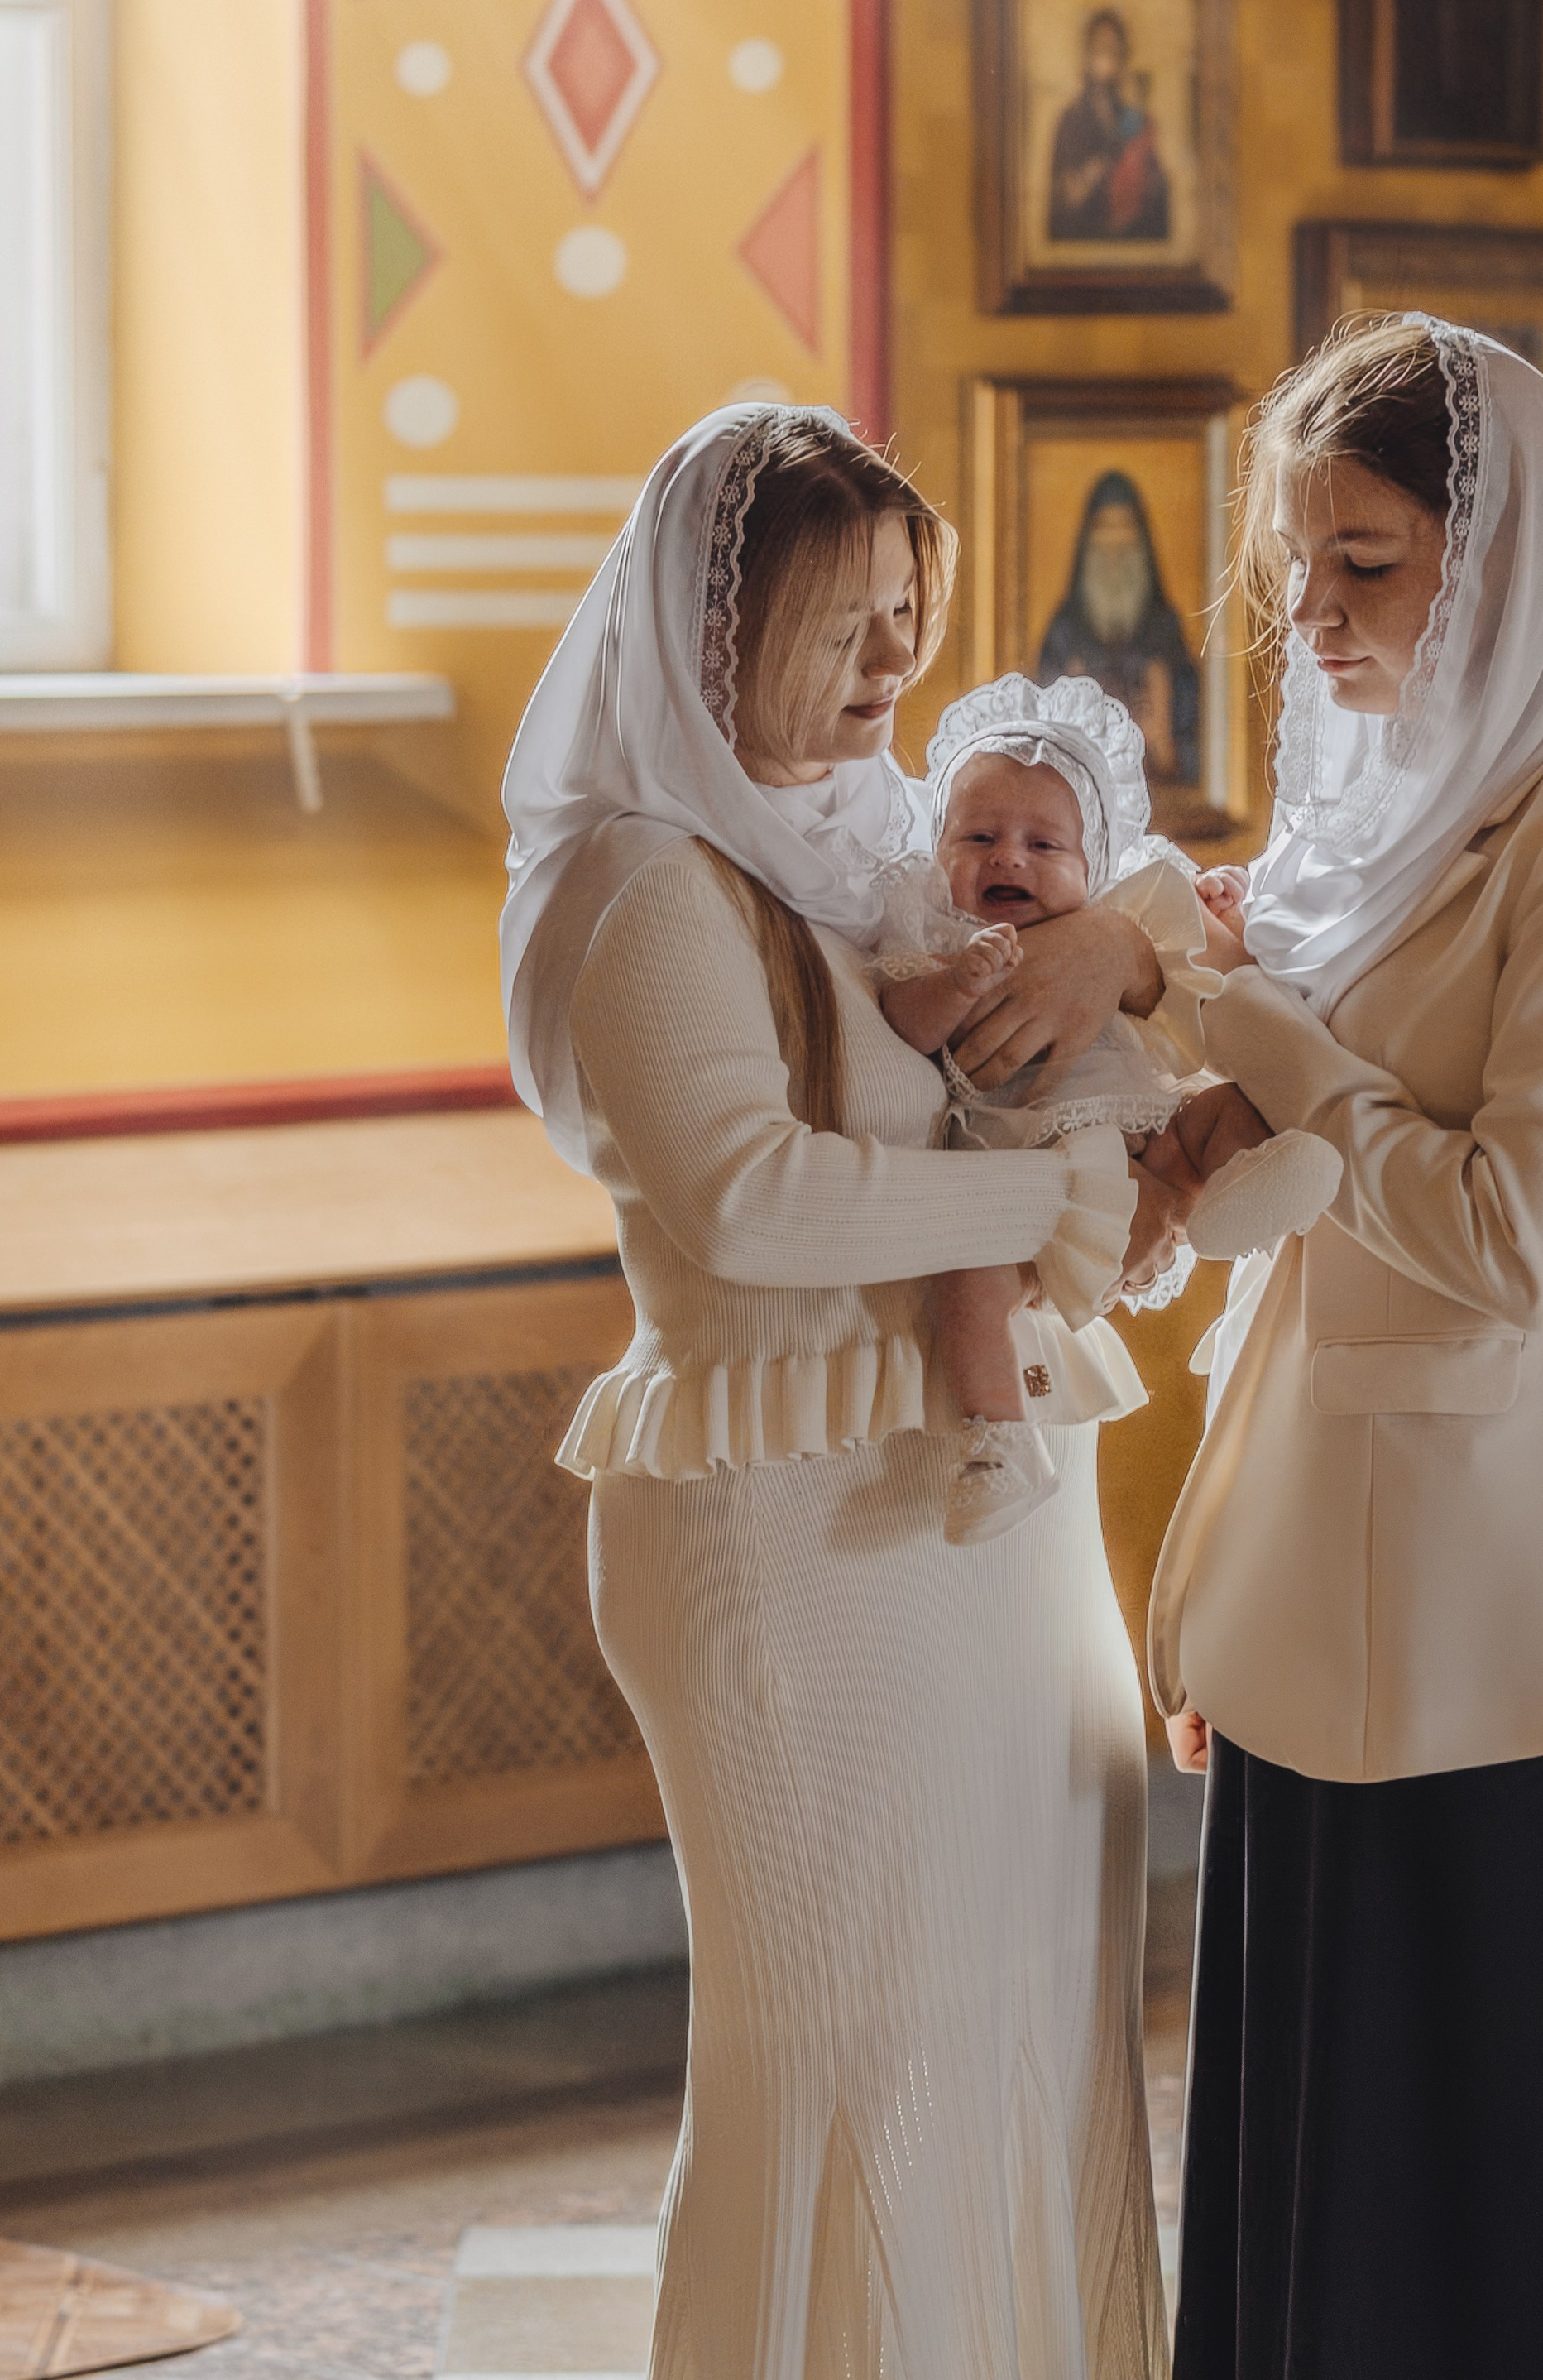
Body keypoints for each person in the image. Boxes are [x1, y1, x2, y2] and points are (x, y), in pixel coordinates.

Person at [501, 405, 1189, 2380]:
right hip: (795, 1516)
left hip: (972, 1505)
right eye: (843, 620)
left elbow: (1126, 925)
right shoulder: (644, 882)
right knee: (852, 2045)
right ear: (713, 631)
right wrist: (1051, 1200)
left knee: (1026, 2011)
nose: (894, 659)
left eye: (908, 609)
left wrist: (1117, 960)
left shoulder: (880, 846)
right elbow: (748, 1197)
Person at [1148, 315, 1543, 2380]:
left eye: (1365, 562)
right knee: (1317, 2216)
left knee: (1489, 2242)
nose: (1310, 616)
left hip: (1493, 1626)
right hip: (1307, 1590)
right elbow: (1301, 1192)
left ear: (1491, 561)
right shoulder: (1360, 826)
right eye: (1291, 566)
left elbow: (1515, 1237)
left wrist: (1252, 1033)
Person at [875, 672, 1340, 1544]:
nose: (1009, 858)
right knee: (970, 1287)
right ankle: (1000, 1442)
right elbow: (905, 1021)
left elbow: (1204, 979)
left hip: (1153, 1139)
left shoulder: (1119, 921)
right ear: (935, 853)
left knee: (1227, 1111)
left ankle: (1244, 1191)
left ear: (1096, 866)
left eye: (1044, 844)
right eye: (978, 837)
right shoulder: (938, 944)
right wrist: (956, 984)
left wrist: (1214, 908)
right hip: (1033, 1186)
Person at [1037, 470, 1201, 785]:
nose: (1114, 544)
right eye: (1104, 528)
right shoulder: (1064, 632)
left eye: (1125, 527)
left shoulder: (1166, 631)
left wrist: (1163, 740)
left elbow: (1195, 753)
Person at [1047, 6, 1171, 243]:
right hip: (1085, 240)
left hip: (1132, 239)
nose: (1108, 60)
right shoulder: (1070, 120)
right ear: (1087, 55)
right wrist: (1098, 169)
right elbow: (1063, 202)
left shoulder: (1135, 118)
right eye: (1100, 50)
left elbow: (1155, 191)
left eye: (1115, 51)